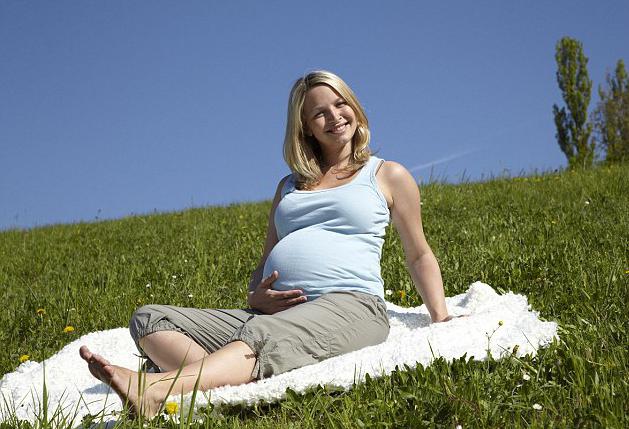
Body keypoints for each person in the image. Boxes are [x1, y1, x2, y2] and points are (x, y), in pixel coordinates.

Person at [79, 70, 451, 418]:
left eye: (341, 104)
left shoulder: (386, 175)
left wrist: (441, 317)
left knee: (261, 336)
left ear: (355, 108)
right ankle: (215, 381)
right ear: (305, 128)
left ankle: (154, 390)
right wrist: (255, 295)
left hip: (351, 306)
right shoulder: (288, 186)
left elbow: (417, 253)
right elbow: (266, 258)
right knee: (150, 319)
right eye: (319, 113)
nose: (335, 116)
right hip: (272, 314)